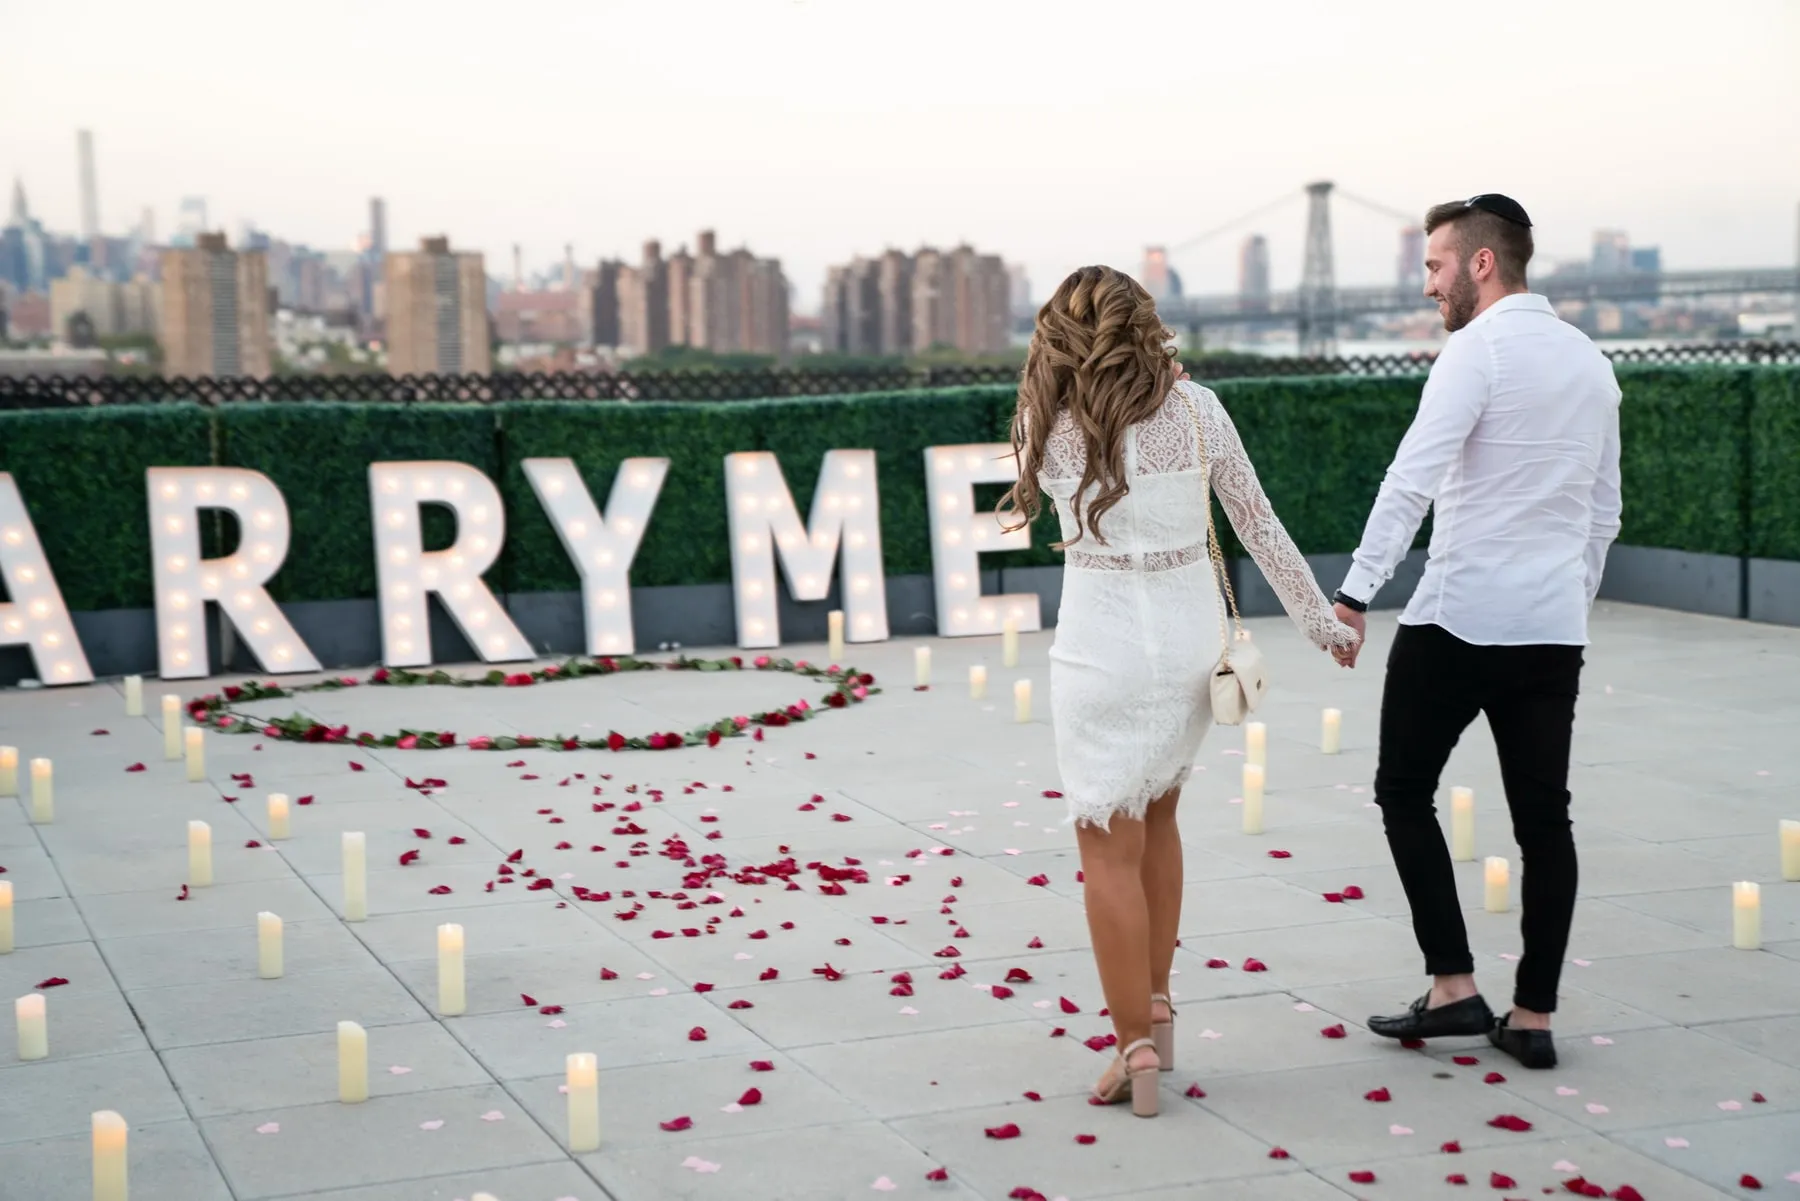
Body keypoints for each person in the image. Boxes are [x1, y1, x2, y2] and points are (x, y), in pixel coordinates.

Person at [1001, 266, 1362, 1116]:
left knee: (1105, 844)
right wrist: (1323, 624)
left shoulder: (1043, 420)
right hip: (1189, 640)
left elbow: (1041, 469)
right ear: (1147, 325)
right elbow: (1258, 522)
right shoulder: (1198, 410)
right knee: (1158, 815)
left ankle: (1134, 1049)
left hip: (1102, 647)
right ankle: (1158, 1010)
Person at [1328, 194, 1622, 1070]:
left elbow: (1409, 479)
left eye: (1434, 266)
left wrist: (1354, 593)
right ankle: (1532, 1015)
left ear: (1481, 264)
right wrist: (1570, 599)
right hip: (1549, 630)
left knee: (1403, 790)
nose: (1429, 286)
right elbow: (1603, 511)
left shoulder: (1474, 354)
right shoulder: (1592, 362)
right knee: (1546, 820)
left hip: (1457, 622)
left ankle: (1453, 987)